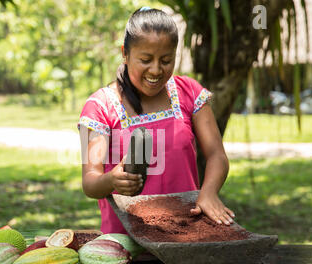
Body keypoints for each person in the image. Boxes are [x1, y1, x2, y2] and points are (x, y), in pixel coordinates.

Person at [77, 7, 235, 235]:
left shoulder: (189, 93)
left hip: (185, 235)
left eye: (166, 60)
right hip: (126, 241)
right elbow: (90, 182)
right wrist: (112, 180)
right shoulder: (99, 107)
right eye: (146, 59)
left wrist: (208, 193)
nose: (156, 70)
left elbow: (217, 155)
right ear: (125, 53)